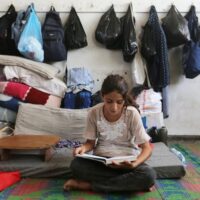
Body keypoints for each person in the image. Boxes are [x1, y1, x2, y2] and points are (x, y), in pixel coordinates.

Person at [64, 74, 156, 193]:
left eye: (119, 102)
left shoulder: (132, 114)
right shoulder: (94, 112)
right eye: (109, 101)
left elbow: (146, 148)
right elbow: (90, 143)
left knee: (149, 175)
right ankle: (130, 184)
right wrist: (82, 148)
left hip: (127, 164)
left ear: (124, 98)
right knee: (76, 166)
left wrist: (135, 164)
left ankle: (89, 186)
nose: (114, 107)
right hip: (102, 162)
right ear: (102, 96)